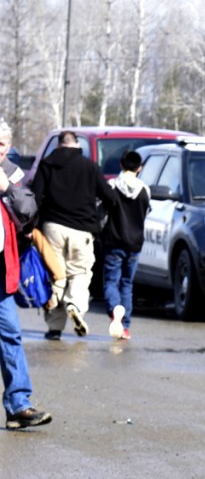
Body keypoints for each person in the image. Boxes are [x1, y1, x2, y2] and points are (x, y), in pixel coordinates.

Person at [30, 130, 116, 340]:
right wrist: (99, 215)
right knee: (80, 273)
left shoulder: (47, 164)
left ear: (59, 145)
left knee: (56, 274)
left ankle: (54, 328)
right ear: (77, 145)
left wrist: (34, 227)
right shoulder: (89, 166)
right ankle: (75, 305)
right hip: (82, 229)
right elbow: (110, 196)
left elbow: (35, 197)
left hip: (52, 228)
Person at [0, 121, 52, 430]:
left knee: (11, 335)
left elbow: (30, 208)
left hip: (2, 273)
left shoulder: (12, 172)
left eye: (2, 145)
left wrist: (7, 189)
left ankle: (19, 405)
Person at [101, 149, 150, 341]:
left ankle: (115, 312)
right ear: (140, 168)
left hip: (113, 240)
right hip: (135, 243)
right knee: (127, 283)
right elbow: (145, 214)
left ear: (121, 165)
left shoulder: (112, 186)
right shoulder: (145, 190)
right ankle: (125, 326)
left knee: (111, 281)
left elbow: (103, 212)